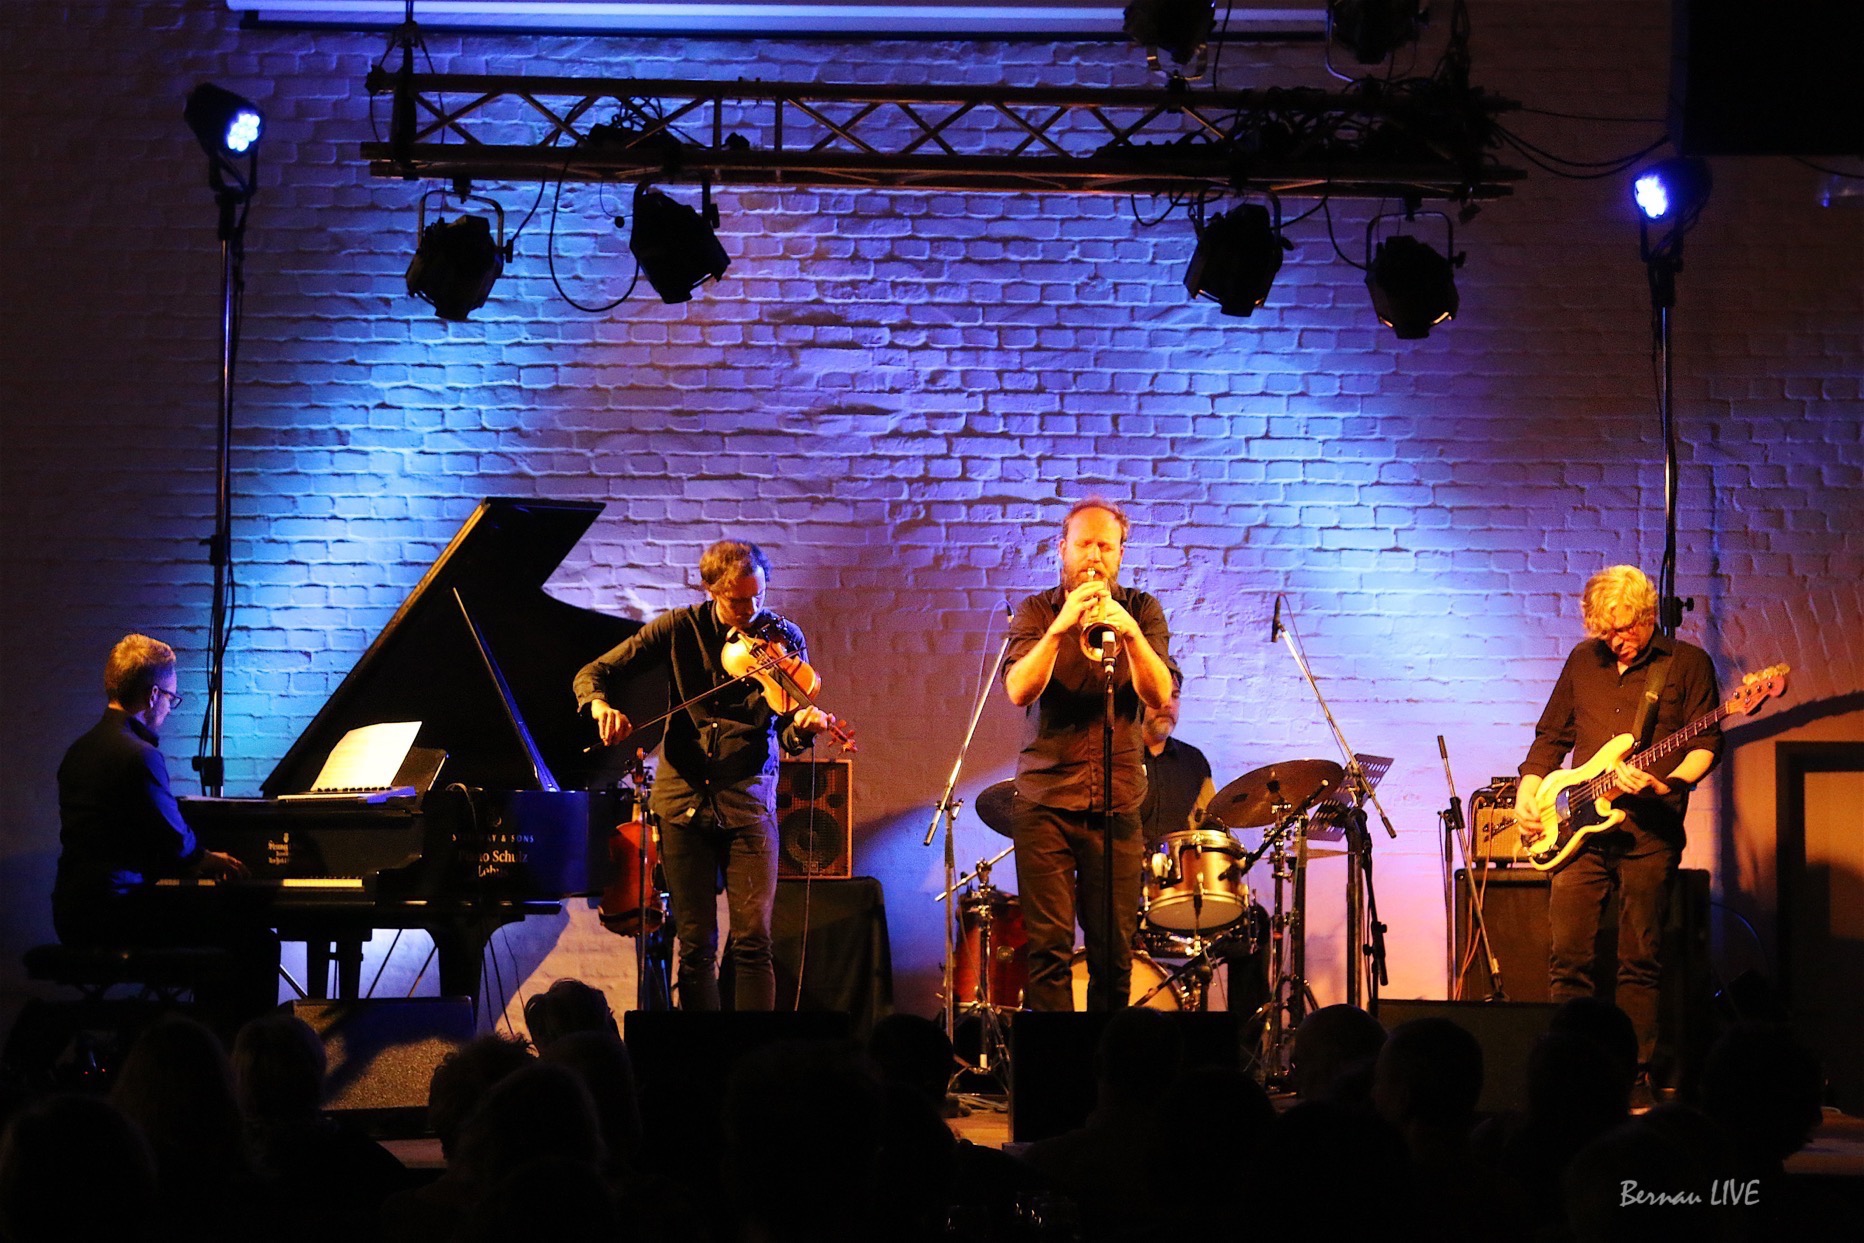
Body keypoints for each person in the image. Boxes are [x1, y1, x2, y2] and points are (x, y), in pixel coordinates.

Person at [573, 540, 836, 1011]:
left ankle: (754, 1065)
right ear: (710, 588)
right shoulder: (680, 628)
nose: (751, 611)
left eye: (759, 596)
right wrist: (599, 705)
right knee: (696, 947)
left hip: (749, 801)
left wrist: (805, 728)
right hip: (683, 802)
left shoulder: (785, 637)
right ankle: (703, 1063)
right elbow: (596, 670)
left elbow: (788, 734)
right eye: (737, 601)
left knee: (754, 943)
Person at [1515, 566, 1721, 1075]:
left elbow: (1706, 745)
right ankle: (1566, 1071)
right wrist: (1528, 789)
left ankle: (1634, 1074)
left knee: (1640, 961)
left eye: (1624, 629)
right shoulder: (1584, 660)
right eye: (1605, 632)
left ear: (1649, 616)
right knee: (1568, 959)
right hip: (1576, 831)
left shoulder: (1687, 664)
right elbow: (1550, 737)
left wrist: (1665, 783)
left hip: (1650, 834)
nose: (1615, 641)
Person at [1002, 499, 1178, 1011]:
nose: (1094, 556)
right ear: (1062, 549)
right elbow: (1018, 690)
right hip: (1045, 801)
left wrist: (1130, 633)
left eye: (1106, 545)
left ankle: (1106, 1078)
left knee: (1114, 954)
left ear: (1122, 553)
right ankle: (1058, 1081)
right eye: (1084, 544)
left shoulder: (1143, 610)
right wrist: (1060, 630)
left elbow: (1157, 693)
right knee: (1048, 952)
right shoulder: (1037, 611)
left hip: (1118, 802)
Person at [52, 634, 272, 1019]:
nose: (170, 708)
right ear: (153, 696)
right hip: (116, 915)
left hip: (73, 913)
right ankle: (234, 1048)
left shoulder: (79, 750)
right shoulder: (140, 756)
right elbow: (175, 844)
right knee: (254, 939)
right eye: (171, 698)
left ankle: (203, 1040)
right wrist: (209, 859)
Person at [1135, 692, 1215, 848]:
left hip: (1182, 867)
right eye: (1159, 693)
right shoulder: (1117, 757)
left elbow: (1211, 823)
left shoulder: (1194, 760)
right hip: (1125, 867)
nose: (1168, 704)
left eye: (1175, 695)